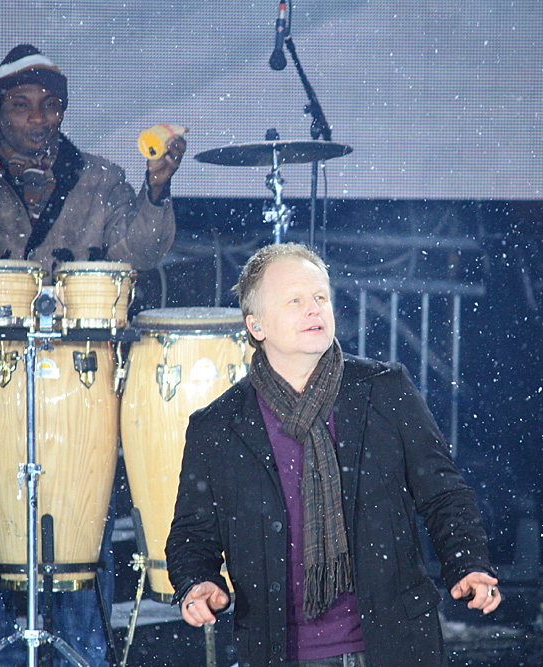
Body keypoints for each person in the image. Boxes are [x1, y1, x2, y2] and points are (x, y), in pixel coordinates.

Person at [0, 44, 185, 667]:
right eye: (22, 105)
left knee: (80, 540)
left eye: (51, 105)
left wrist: (156, 192)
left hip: (75, 394)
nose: (38, 117)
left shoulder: (101, 178)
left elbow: (138, 253)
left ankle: (81, 656)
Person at [166, 243, 500, 667]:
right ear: (257, 325)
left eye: (321, 297)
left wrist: (467, 563)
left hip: (394, 647)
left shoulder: (384, 390)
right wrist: (198, 581)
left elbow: (443, 495)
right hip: (278, 653)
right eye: (295, 300)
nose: (314, 310)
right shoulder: (217, 427)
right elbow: (192, 535)